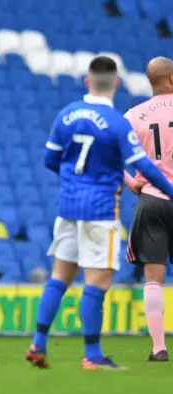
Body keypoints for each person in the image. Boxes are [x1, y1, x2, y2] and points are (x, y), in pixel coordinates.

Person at [26, 56, 173, 371]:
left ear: (86, 82)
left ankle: (37, 344)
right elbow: (144, 165)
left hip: (67, 207)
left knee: (59, 277)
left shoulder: (66, 116)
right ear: (117, 84)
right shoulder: (116, 123)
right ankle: (92, 355)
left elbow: (50, 161)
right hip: (100, 210)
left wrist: (74, 179)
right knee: (98, 280)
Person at [123, 56, 173, 362]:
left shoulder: (133, 115)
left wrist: (131, 182)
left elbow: (107, 155)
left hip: (152, 199)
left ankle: (158, 348)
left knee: (153, 277)